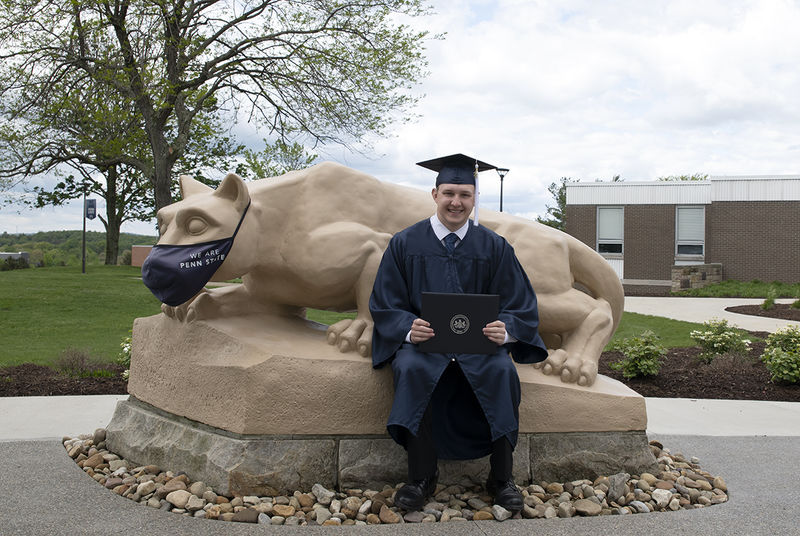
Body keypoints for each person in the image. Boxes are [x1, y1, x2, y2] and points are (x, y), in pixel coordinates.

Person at [369, 153, 549, 513]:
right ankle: (420, 477)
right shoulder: (405, 243)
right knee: (413, 369)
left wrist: (508, 329)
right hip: (425, 346)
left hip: (481, 346)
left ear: (474, 198)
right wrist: (407, 327)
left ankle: (501, 478)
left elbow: (521, 303)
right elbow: (385, 301)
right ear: (435, 194)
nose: (457, 202)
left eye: (465, 195)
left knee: (501, 372)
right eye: (449, 193)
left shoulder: (494, 247)